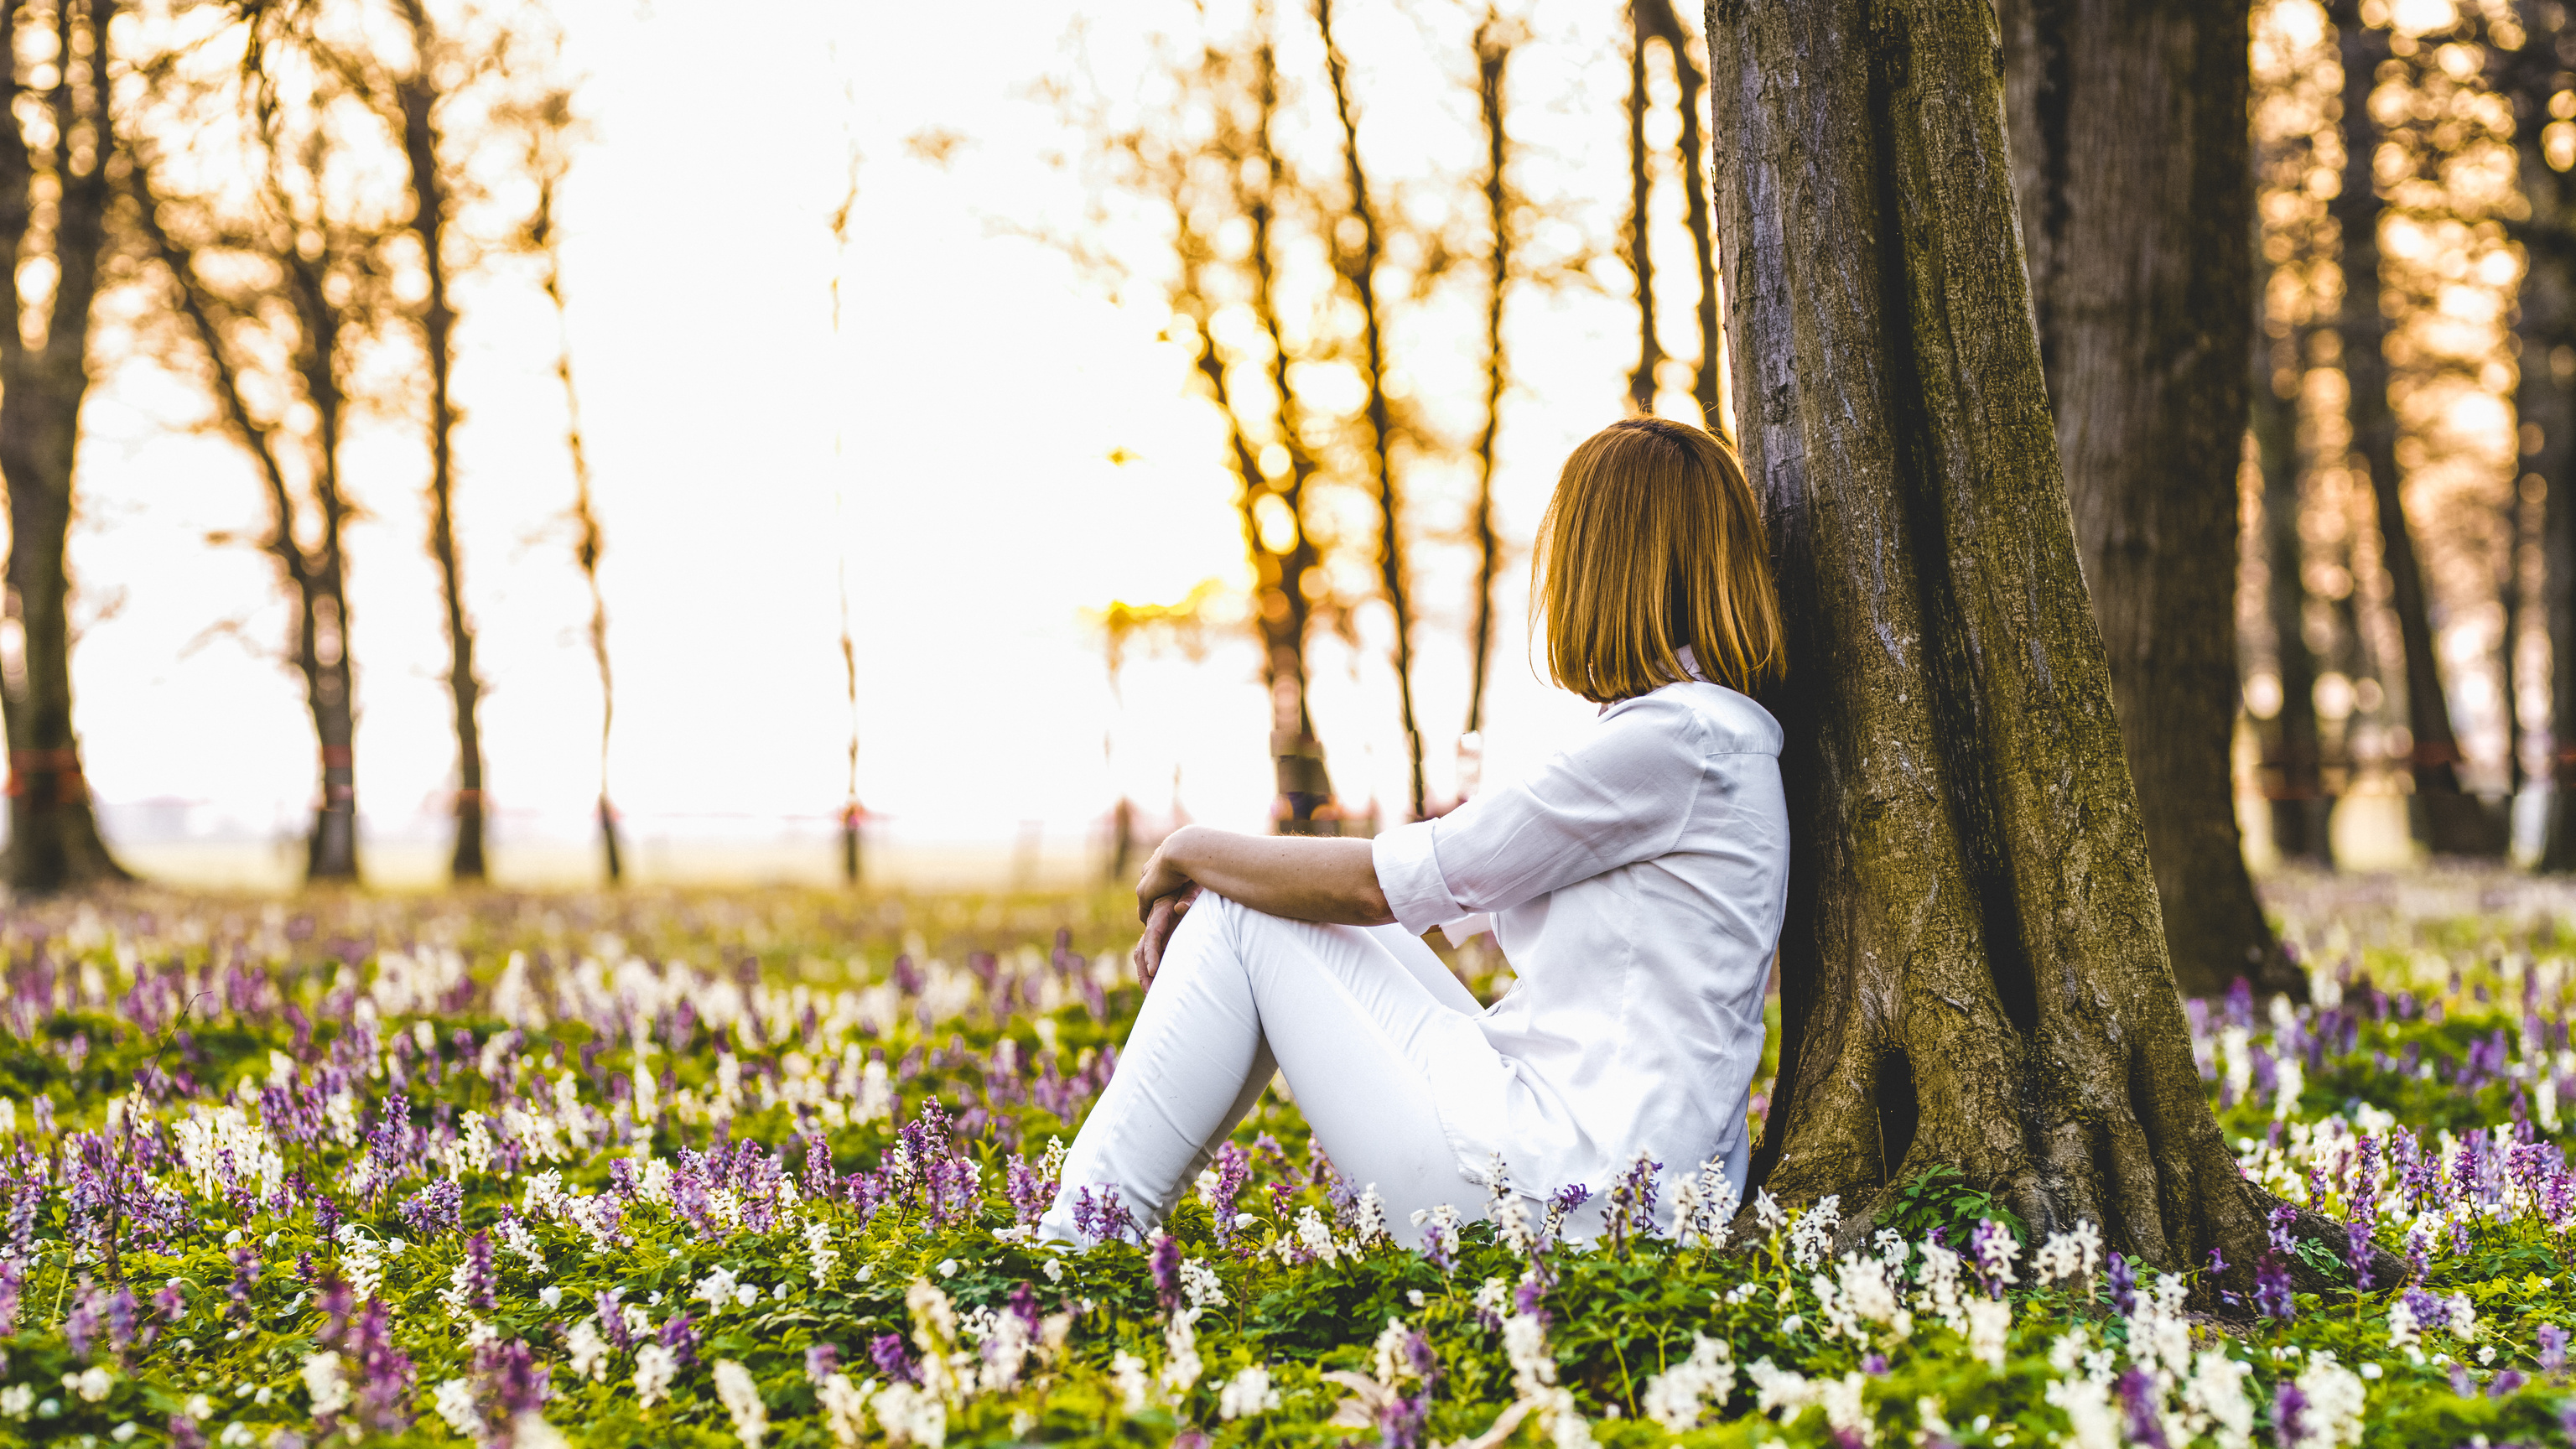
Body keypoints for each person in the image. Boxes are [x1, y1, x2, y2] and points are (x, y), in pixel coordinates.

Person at [1038, 416, 1789, 1248]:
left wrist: (1190, 850)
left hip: (1572, 1195)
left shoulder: (1675, 743)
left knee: (1242, 913)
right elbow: (1430, 896)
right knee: (1262, 903)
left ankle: (1076, 1244)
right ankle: (1088, 1231)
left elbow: (1382, 886)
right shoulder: (1697, 735)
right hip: (1608, 1169)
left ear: (1596, 566)